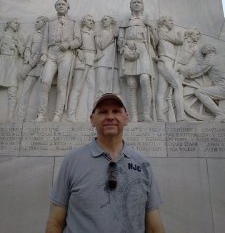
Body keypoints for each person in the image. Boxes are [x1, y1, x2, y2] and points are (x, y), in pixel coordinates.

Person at [45, 93, 165, 233]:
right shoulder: (72, 161)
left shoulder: (143, 164)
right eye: (103, 112)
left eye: (116, 111)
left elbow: (154, 227)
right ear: (92, 119)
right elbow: (55, 223)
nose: (110, 117)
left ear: (126, 118)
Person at [36, 0, 81, 122]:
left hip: (65, 53)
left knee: (62, 84)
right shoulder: (49, 23)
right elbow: (44, 40)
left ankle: (58, 114)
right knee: (45, 82)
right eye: (59, 4)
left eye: (63, 4)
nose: (61, 6)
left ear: (67, 7)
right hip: (51, 52)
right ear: (56, 7)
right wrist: (44, 53)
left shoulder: (73, 23)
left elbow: (78, 40)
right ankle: (41, 113)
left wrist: (68, 45)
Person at [119, 0, 158, 122]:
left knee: (145, 79)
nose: (136, 4)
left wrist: (152, 28)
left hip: (143, 50)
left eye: (139, 2)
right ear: (130, 6)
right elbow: (119, 40)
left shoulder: (146, 22)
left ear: (142, 6)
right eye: (134, 3)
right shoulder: (126, 22)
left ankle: (146, 114)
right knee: (131, 84)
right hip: (129, 50)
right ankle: (133, 116)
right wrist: (125, 47)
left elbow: (155, 42)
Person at [179, 43, 225, 121]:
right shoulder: (220, 58)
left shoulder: (210, 59)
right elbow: (202, 63)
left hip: (222, 88)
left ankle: (219, 114)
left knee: (199, 92)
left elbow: (199, 70)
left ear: (205, 51)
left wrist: (183, 71)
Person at [17, 16, 48, 122]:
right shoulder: (33, 35)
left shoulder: (47, 37)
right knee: (25, 92)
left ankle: (39, 116)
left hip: (41, 68)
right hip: (30, 68)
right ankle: (21, 117)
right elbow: (27, 49)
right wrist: (28, 61)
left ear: (44, 23)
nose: (36, 23)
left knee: (41, 94)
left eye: (38, 22)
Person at [156, 16, 186, 122]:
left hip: (166, 62)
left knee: (161, 91)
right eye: (169, 21)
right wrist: (181, 34)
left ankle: (160, 115)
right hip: (166, 62)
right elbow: (178, 41)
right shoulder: (161, 31)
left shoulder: (163, 31)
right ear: (163, 22)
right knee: (178, 86)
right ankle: (180, 116)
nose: (172, 23)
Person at [67, 14, 96, 121]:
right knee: (77, 88)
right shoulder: (79, 32)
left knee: (92, 87)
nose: (92, 22)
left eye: (92, 20)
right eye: (89, 20)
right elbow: (73, 45)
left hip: (92, 60)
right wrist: (78, 51)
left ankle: (91, 114)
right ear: (84, 21)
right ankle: (71, 115)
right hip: (81, 60)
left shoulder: (93, 33)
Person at [0, 18, 25, 121]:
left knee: (13, 90)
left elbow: (22, 52)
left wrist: (18, 44)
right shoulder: (2, 35)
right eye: (15, 22)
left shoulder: (19, 37)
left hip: (13, 63)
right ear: (9, 23)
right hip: (2, 61)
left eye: (18, 23)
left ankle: (10, 117)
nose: (17, 24)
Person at [95, 15, 120, 98]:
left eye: (105, 20)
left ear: (110, 21)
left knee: (113, 80)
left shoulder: (115, 32)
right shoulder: (99, 33)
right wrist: (112, 38)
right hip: (102, 59)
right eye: (102, 20)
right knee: (101, 80)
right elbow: (101, 45)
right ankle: (100, 96)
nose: (103, 22)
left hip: (112, 59)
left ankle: (116, 96)